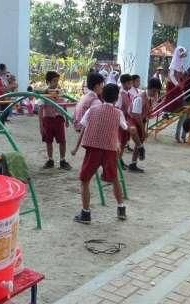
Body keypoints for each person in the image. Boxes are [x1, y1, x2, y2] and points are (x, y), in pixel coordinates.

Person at [72, 84, 128, 224]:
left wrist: (76, 148)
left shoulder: (92, 110)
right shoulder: (118, 113)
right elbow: (125, 128)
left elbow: (83, 128)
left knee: (85, 180)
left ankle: (86, 213)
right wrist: (119, 143)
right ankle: (121, 208)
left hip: (93, 148)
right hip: (109, 149)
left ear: (101, 96)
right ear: (116, 99)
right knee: (114, 179)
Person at [39, 71, 71, 170]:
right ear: (48, 82)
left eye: (57, 80)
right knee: (48, 141)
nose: (56, 83)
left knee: (62, 140)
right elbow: (41, 109)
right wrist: (41, 125)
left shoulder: (60, 91)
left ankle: (62, 160)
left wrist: (67, 118)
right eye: (54, 81)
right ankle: (50, 160)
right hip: (48, 119)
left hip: (59, 119)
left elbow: (64, 105)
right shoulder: (44, 94)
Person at [116, 74, 144, 172]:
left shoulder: (127, 93)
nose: (130, 85)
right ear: (123, 83)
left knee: (123, 143)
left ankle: (119, 161)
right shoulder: (120, 94)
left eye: (131, 83)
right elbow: (118, 109)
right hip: (122, 123)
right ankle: (117, 162)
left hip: (126, 122)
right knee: (121, 143)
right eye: (128, 83)